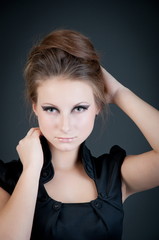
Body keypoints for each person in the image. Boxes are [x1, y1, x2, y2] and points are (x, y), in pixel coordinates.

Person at [0, 29, 159, 240]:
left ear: (97, 106)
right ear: (35, 107)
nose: (65, 126)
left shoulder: (114, 176)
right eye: (51, 109)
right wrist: (31, 169)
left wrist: (120, 93)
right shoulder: (8, 180)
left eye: (79, 108)